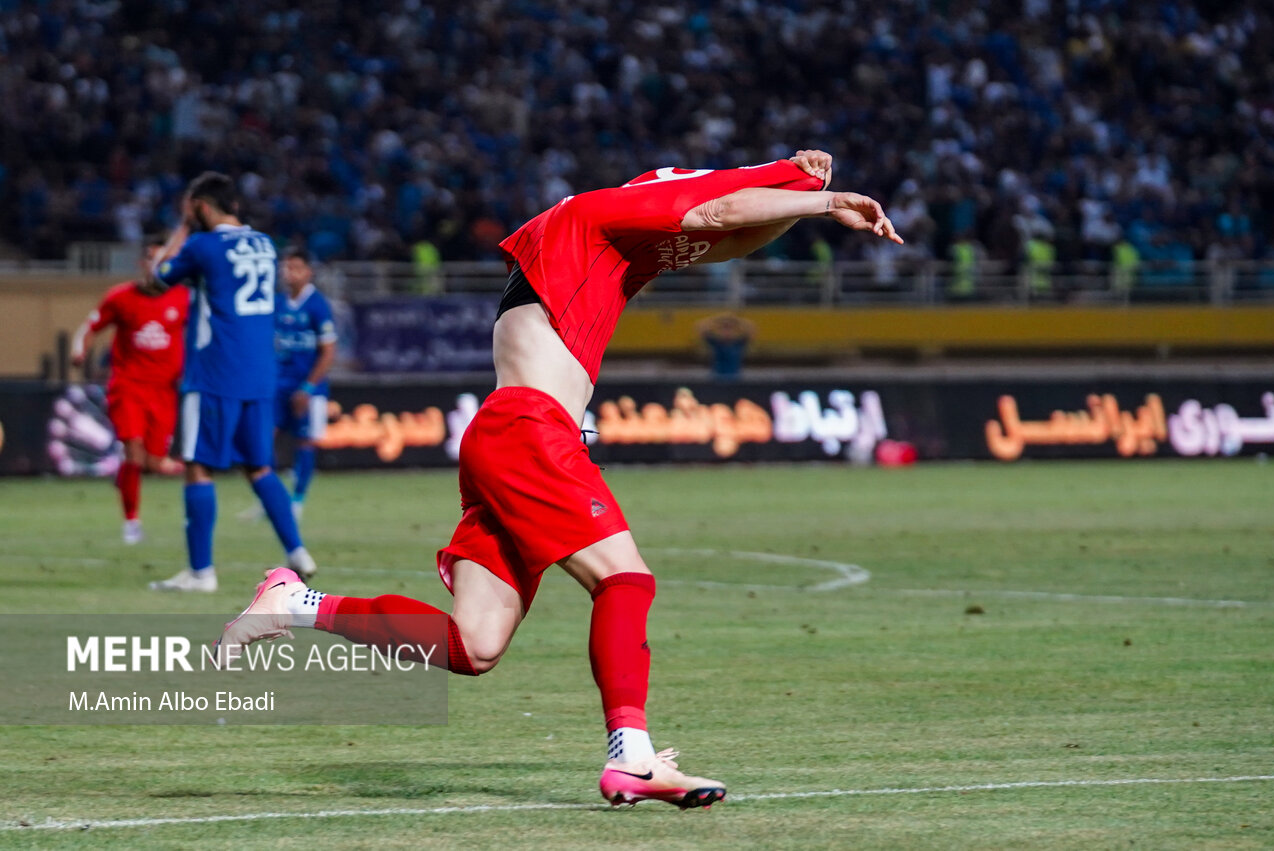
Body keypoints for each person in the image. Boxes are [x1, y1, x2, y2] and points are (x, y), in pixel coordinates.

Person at [216, 150, 901, 805]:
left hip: (509, 433)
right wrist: (825, 202)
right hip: (531, 429)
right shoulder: (596, 216)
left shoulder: (605, 247)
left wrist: (799, 199)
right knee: (625, 580)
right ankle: (631, 756)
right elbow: (717, 214)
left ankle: (294, 602)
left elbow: (727, 239)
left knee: (473, 644)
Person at [148, 172, 316, 592]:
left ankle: (200, 572)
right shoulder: (265, 244)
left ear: (201, 207)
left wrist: (183, 228)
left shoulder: (202, 245)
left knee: (197, 464)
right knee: (258, 466)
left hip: (214, 371)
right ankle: (297, 551)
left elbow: (156, 279)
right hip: (259, 374)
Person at [70, 238, 188, 544]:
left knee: (153, 463)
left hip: (165, 391)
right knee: (134, 452)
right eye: (153, 259)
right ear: (142, 263)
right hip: (128, 387)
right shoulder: (120, 297)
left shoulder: (183, 298)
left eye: (165, 260)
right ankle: (132, 523)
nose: (158, 266)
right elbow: (90, 326)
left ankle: (124, 475)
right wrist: (79, 349)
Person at [273, 248, 337, 519]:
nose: (289, 273)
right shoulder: (278, 302)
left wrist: (308, 388)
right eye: (286, 268)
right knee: (264, 439)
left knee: (306, 442)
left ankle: (297, 501)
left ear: (308, 272)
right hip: (279, 385)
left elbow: (328, 352)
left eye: (296, 268)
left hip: (310, 388)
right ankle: (271, 497)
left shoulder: (318, 305)